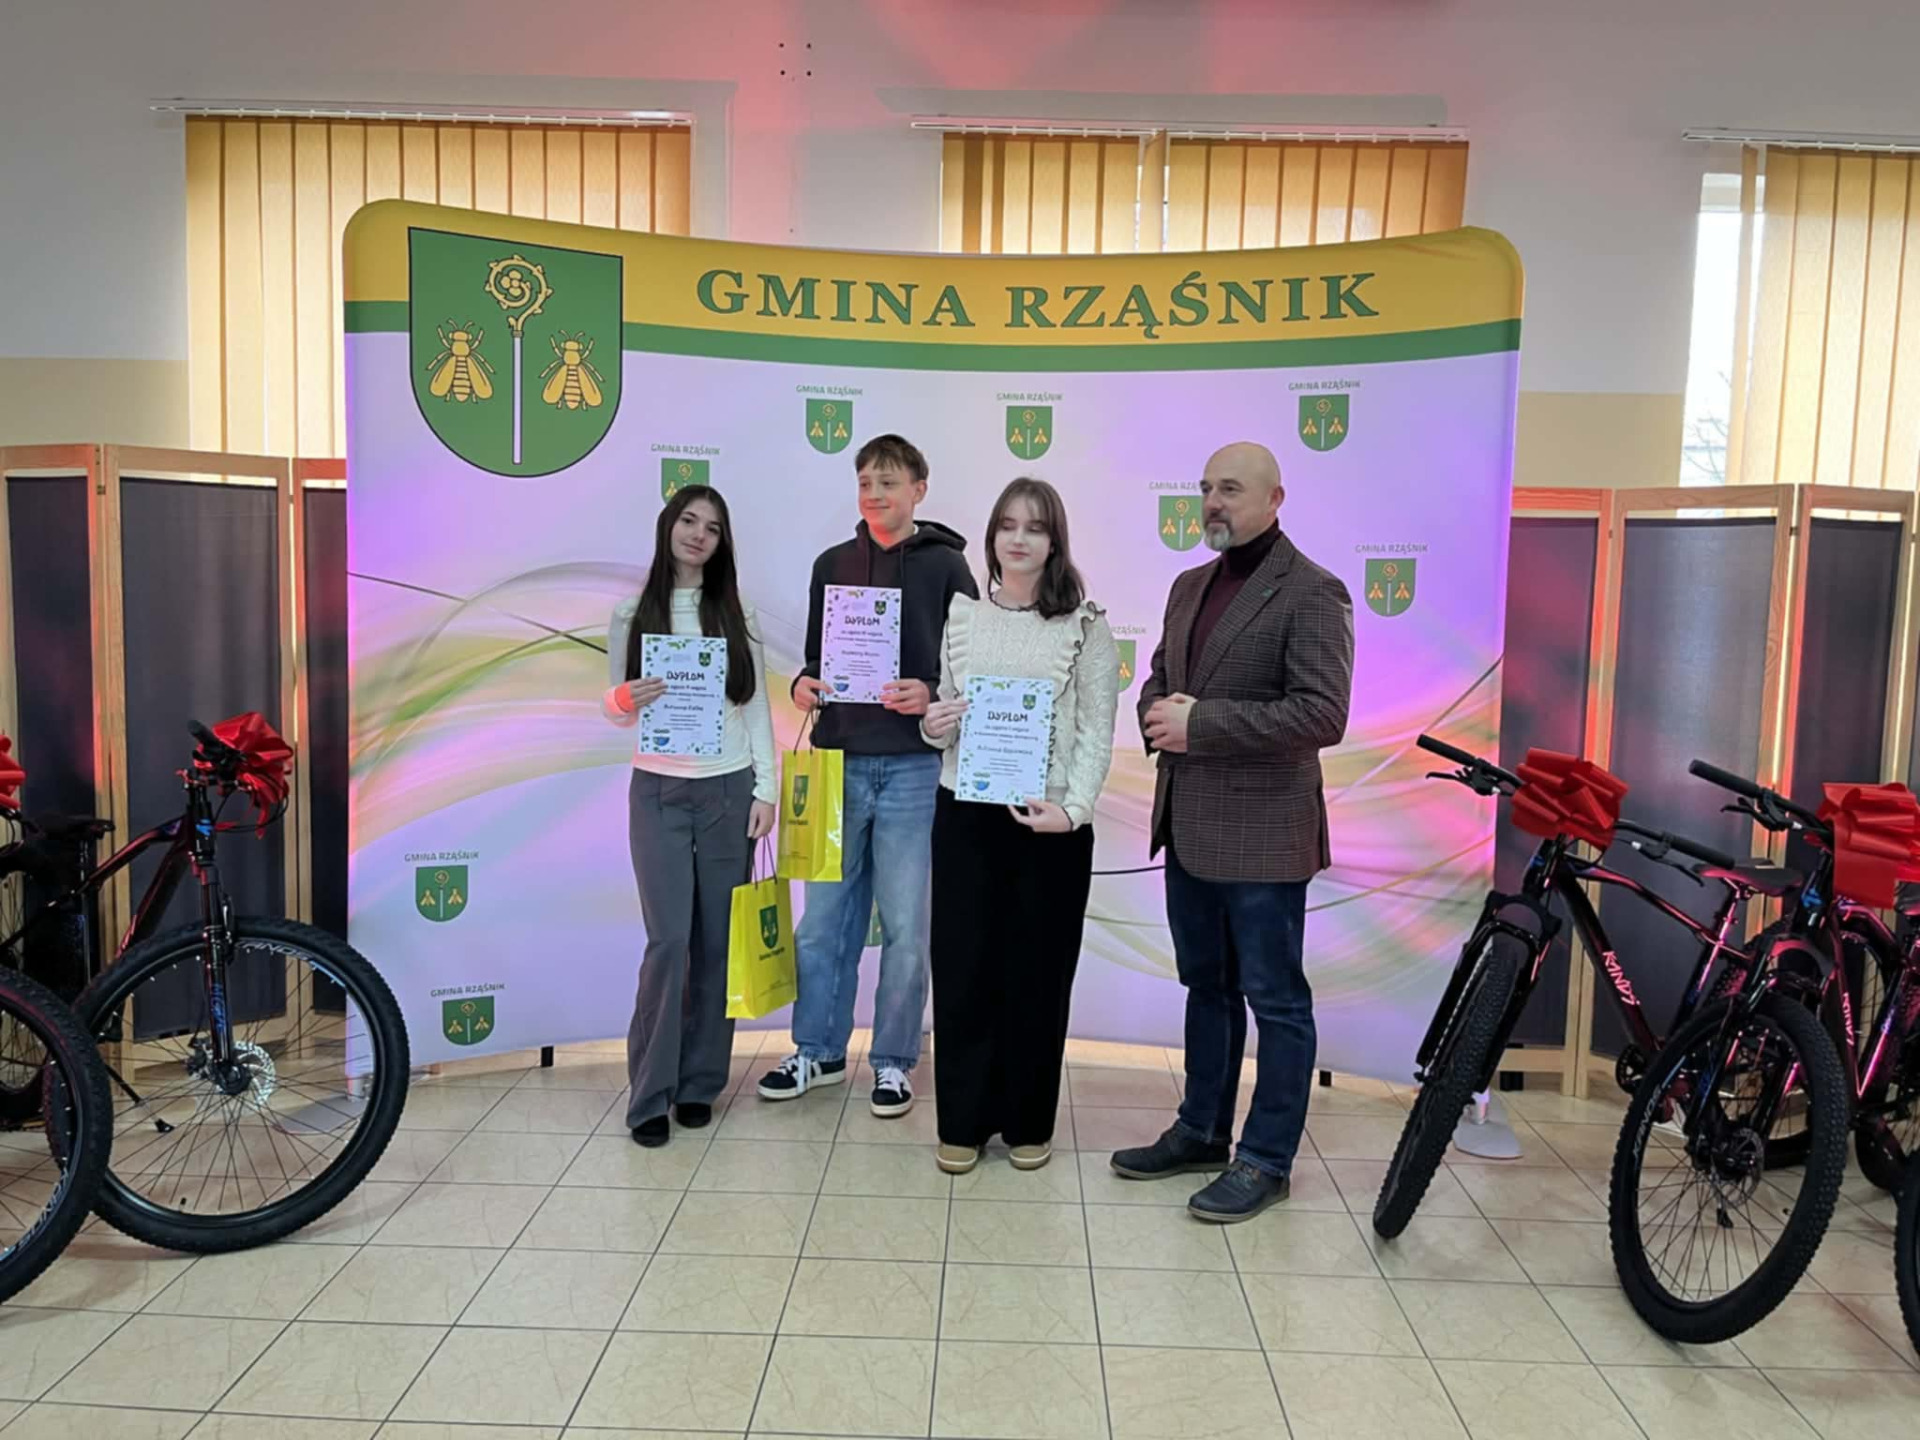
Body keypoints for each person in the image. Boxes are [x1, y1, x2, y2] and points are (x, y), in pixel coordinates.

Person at [1111, 441, 1354, 1222]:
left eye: (1232, 489)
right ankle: (1201, 1131)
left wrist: (1202, 725)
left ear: (1275, 499)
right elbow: (1162, 676)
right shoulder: (1189, 585)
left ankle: (1267, 1159)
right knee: (1206, 988)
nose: (1214, 502)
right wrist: (1156, 711)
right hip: (1188, 826)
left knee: (1276, 1001)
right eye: (1207, 488)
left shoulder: (1313, 590)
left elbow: (1322, 713)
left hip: (1264, 837)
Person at [758, 434, 979, 1117]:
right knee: (822, 922)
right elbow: (816, 662)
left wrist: (930, 692)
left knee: (907, 927)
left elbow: (971, 671)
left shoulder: (949, 568)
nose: (875, 495)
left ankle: (892, 1061)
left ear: (919, 489)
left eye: (888, 482)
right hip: (836, 763)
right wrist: (802, 685)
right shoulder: (832, 564)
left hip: (913, 767)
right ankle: (817, 1050)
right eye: (864, 483)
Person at [921, 478, 1120, 1175]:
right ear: (992, 537)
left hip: (1050, 827)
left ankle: (1028, 1120)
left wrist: (1075, 810)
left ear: (1055, 540)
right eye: (1008, 525)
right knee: (963, 968)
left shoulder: (1086, 627)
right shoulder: (962, 618)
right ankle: (963, 1121)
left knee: (1038, 974)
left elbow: (1096, 729)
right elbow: (947, 717)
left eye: (1035, 527)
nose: (1019, 539)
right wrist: (933, 724)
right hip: (965, 814)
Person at [603, 485, 777, 1147]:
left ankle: (700, 1083)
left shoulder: (736, 613)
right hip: (658, 792)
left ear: (722, 542)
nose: (698, 534)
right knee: (668, 942)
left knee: (716, 945)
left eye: (712, 527)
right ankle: (650, 1092)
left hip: (729, 790)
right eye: (688, 521)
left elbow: (755, 706)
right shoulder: (632, 613)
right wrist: (625, 696)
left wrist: (766, 789)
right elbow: (614, 707)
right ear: (668, 527)